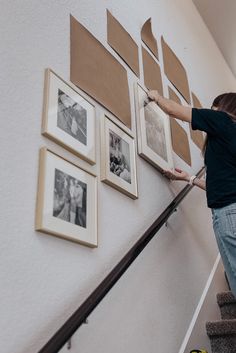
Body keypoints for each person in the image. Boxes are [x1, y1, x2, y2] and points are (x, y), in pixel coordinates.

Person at [147, 90, 236, 298]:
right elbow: (221, 184)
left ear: (225, 107)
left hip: (229, 215)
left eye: (214, 106)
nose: (211, 111)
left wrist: (156, 96)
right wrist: (189, 178)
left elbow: (173, 110)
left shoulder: (222, 120)